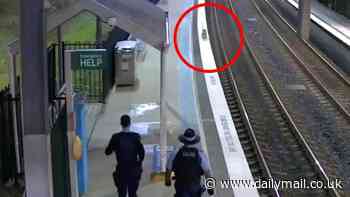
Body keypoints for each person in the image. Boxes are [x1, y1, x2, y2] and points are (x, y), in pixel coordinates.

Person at [165, 128, 215, 197]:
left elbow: (168, 168)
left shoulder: (175, 153)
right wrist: (210, 189)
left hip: (180, 189)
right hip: (195, 190)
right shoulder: (200, 154)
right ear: (195, 141)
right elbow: (208, 173)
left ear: (183, 141)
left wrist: (167, 181)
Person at [105, 114, 145, 197]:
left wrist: (113, 146)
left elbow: (107, 152)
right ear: (130, 123)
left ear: (121, 124)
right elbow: (142, 153)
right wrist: (139, 164)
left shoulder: (115, 137)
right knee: (133, 193)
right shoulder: (136, 136)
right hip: (133, 169)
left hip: (121, 169)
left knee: (121, 193)